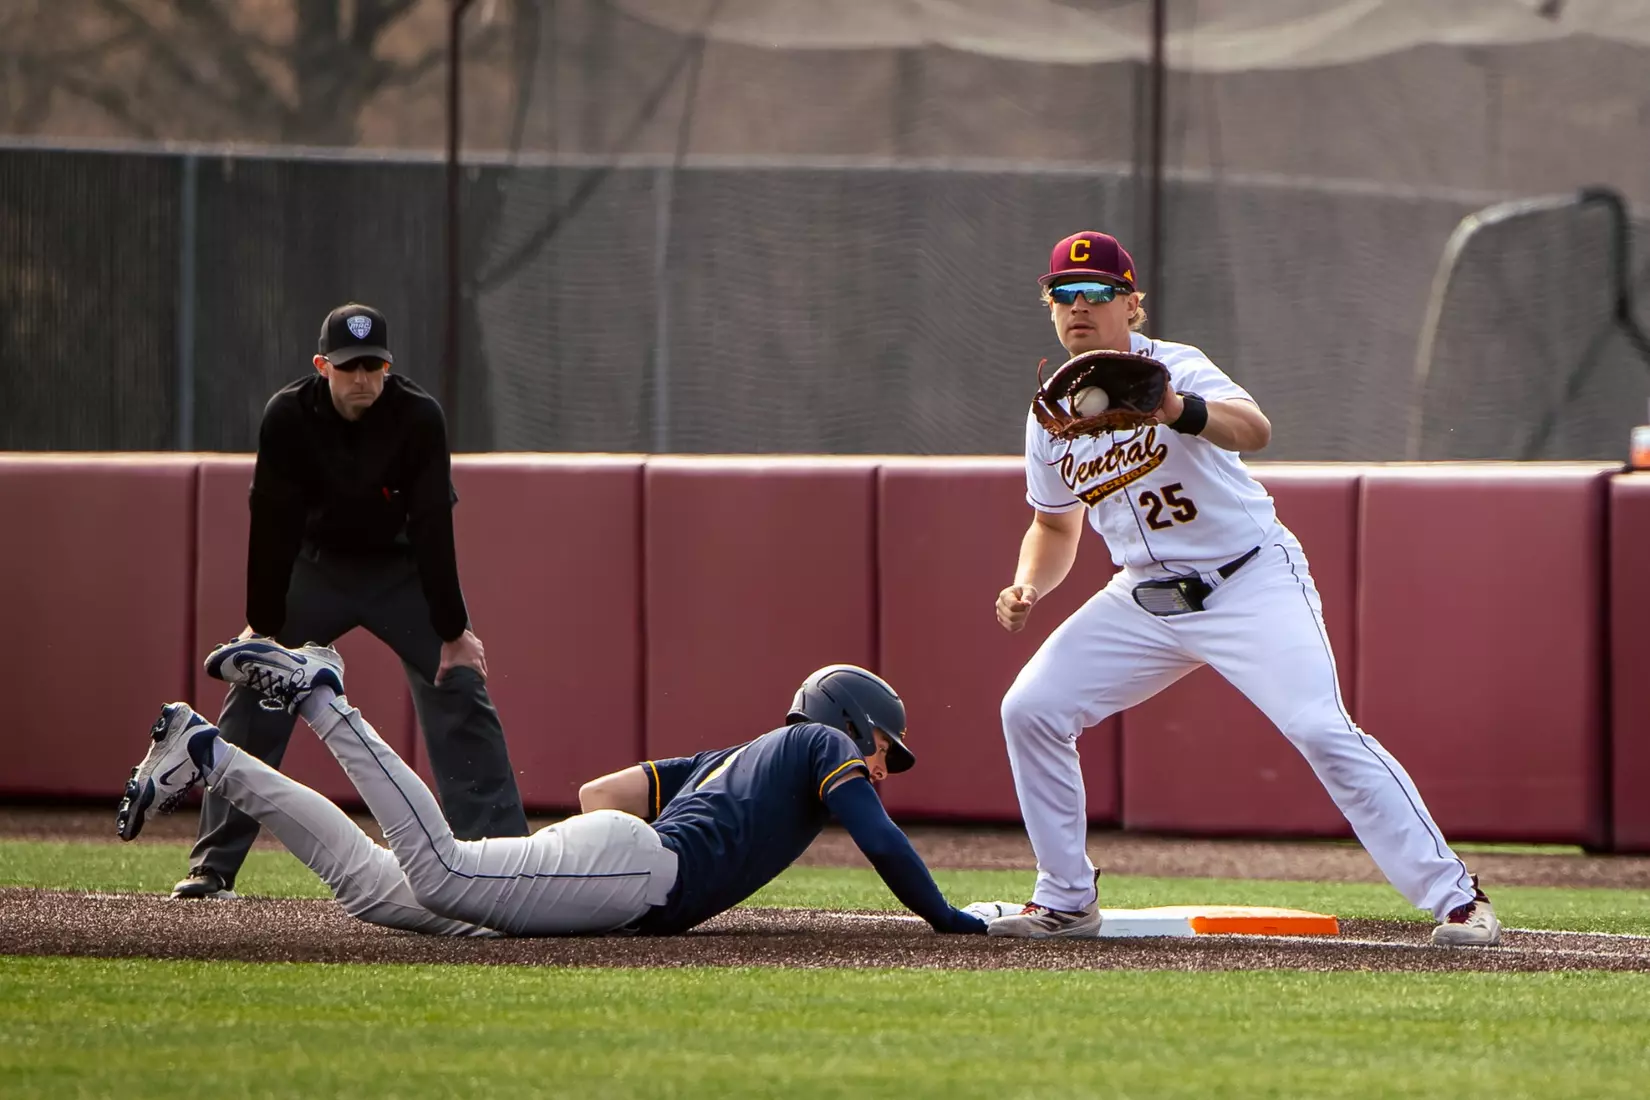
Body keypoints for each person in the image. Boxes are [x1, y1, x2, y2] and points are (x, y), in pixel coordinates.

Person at [986, 230, 1501, 947]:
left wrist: (1178, 411)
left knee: (1320, 727)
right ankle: (1067, 898)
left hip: (1247, 580)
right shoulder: (1050, 414)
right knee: (1031, 709)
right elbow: (1054, 526)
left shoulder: (1173, 366)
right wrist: (1027, 585)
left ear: (1131, 305)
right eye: (1062, 295)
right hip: (1142, 599)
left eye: (1098, 293)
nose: (1079, 307)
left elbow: (1254, 429)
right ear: (1048, 308)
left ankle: (1458, 899)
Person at [116, 637, 989, 938]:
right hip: (640, 876)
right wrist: (948, 918)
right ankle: (318, 693)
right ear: (847, 719)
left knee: (379, 890)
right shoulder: (820, 745)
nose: (882, 767)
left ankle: (212, 755)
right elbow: (879, 839)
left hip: (612, 861)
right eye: (886, 749)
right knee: (441, 873)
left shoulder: (744, 752)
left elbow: (595, 792)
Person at [173, 302, 528, 901]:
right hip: (318, 569)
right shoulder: (288, 416)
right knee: (260, 681)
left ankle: (510, 867)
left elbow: (434, 527)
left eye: (373, 366)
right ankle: (213, 867)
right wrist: (262, 625)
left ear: (389, 367)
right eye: (348, 367)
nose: (362, 379)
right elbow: (272, 524)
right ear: (322, 366)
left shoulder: (418, 418)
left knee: (459, 684)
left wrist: (453, 629)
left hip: (399, 571)